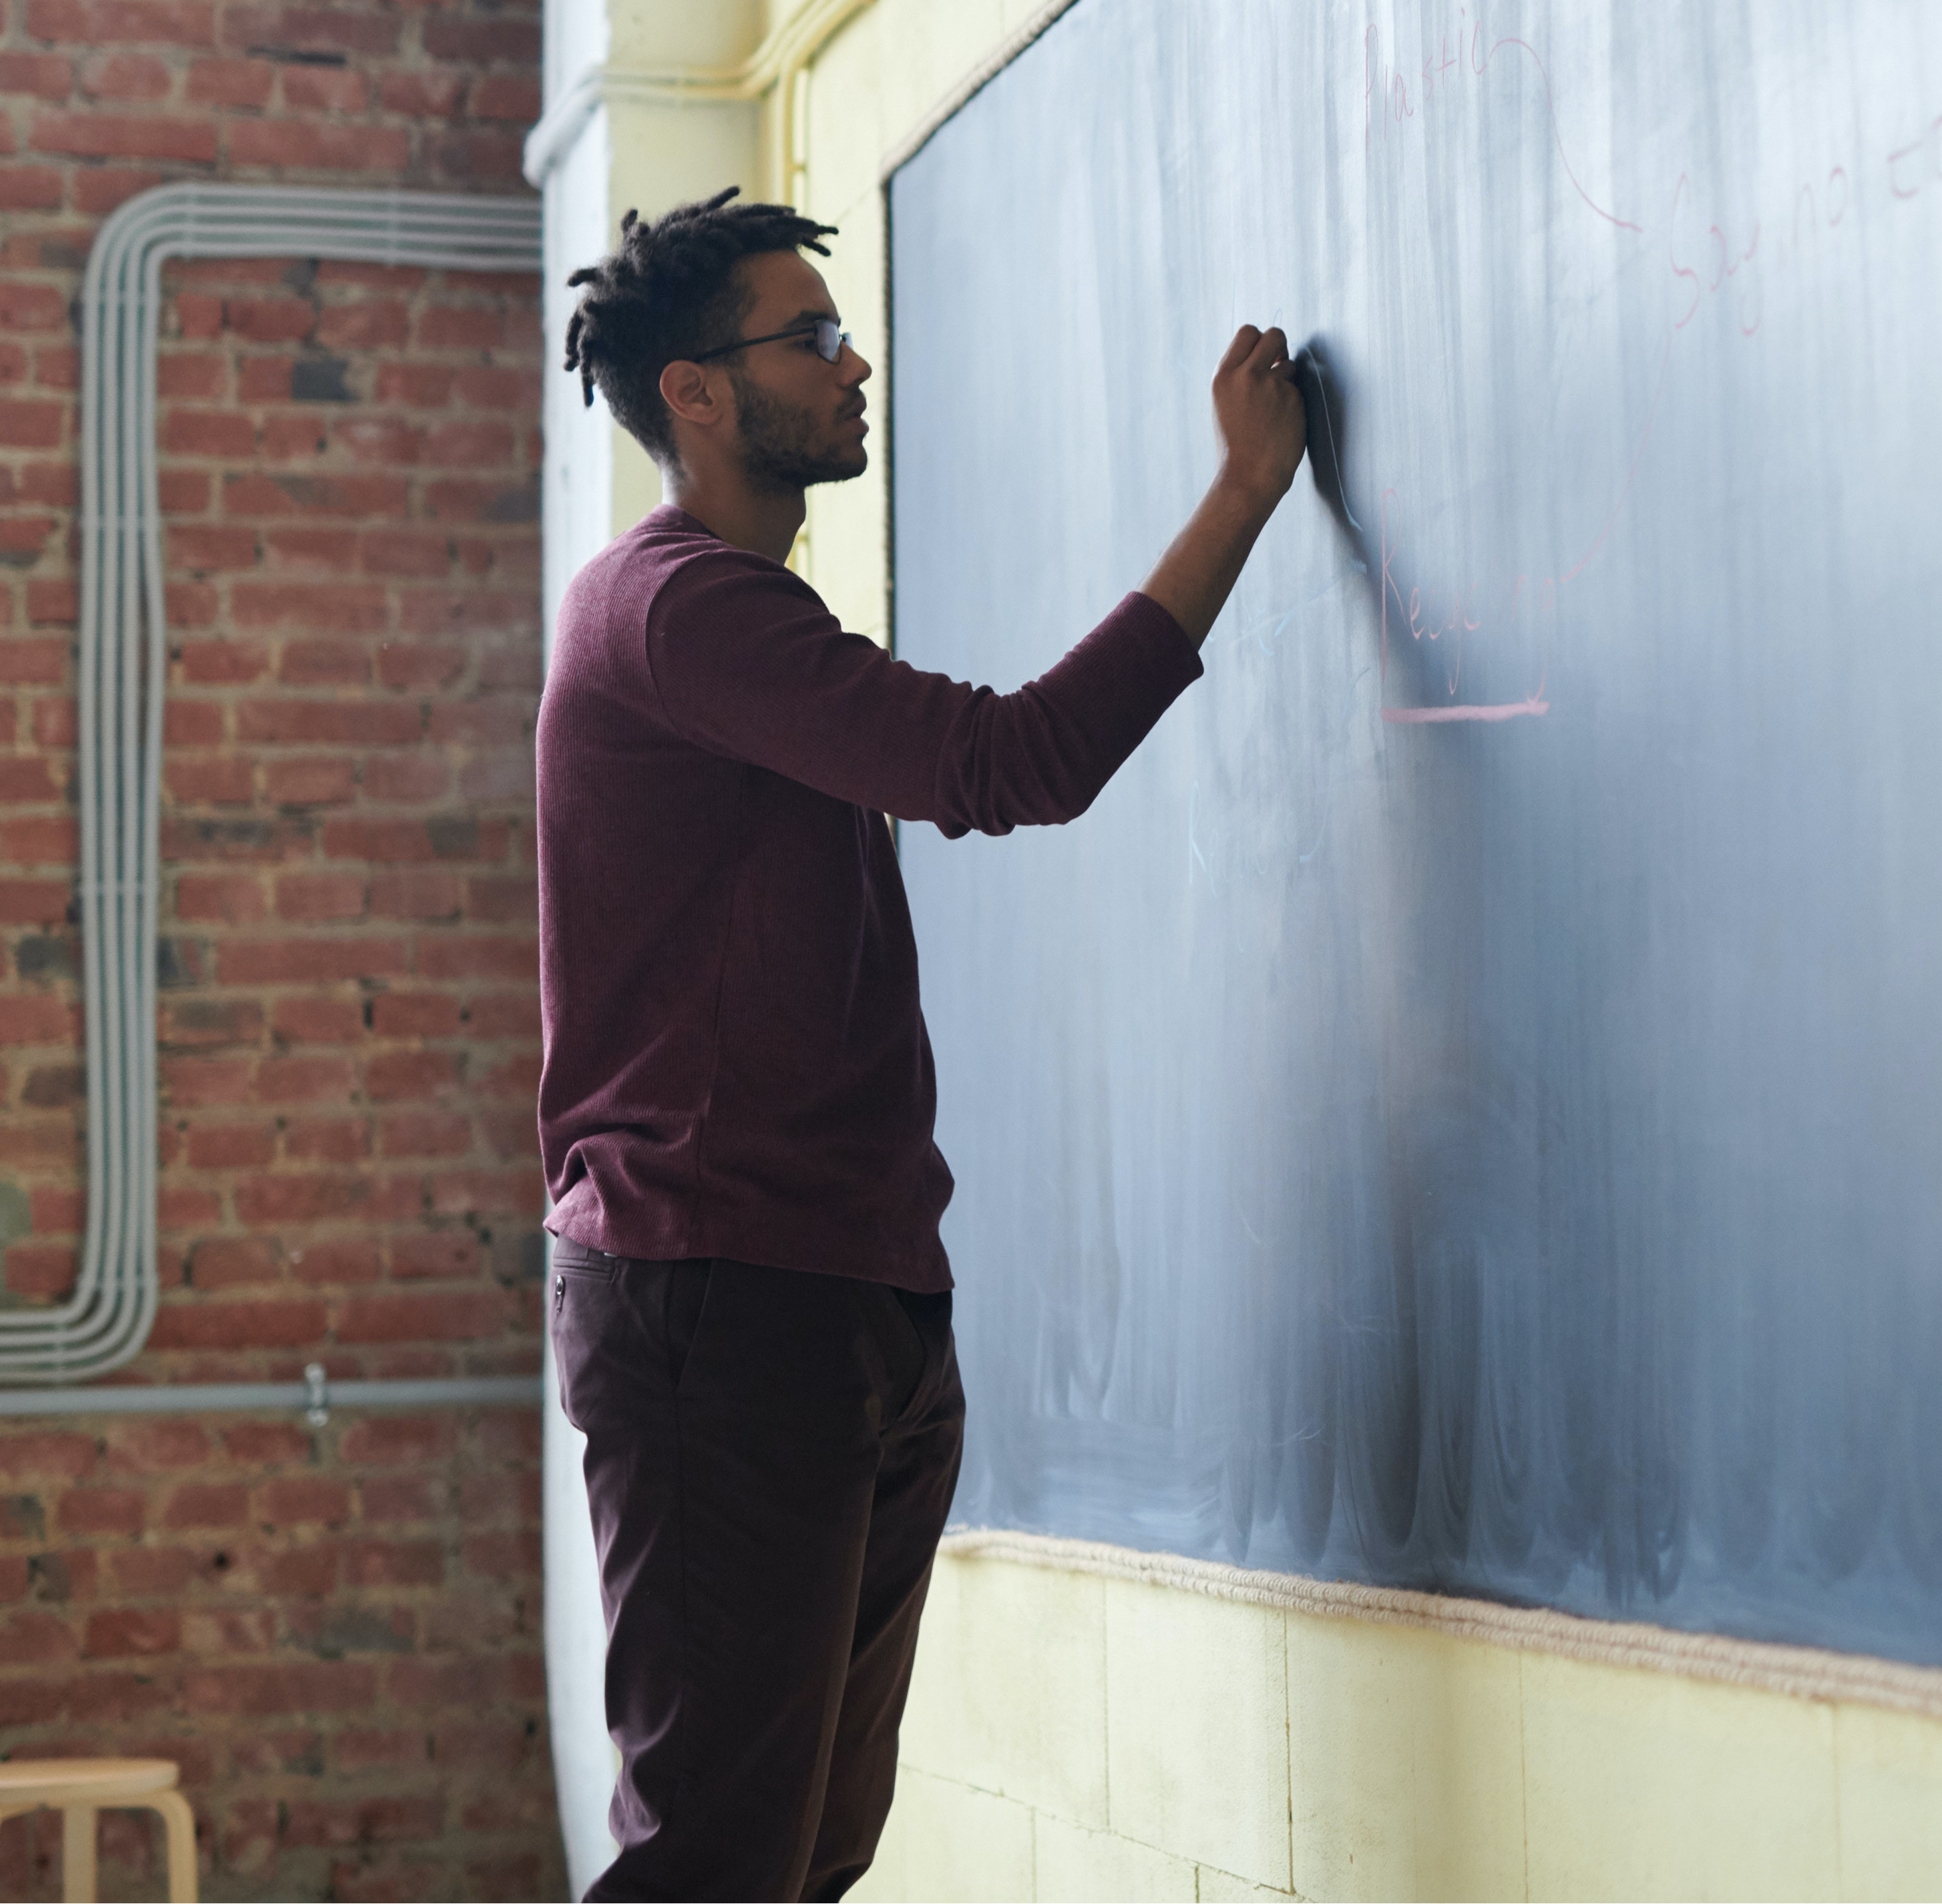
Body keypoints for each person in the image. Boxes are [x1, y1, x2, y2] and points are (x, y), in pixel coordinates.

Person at [534, 188, 1307, 1900]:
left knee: (799, 1861)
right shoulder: (679, 611)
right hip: (722, 1293)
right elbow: (1011, 764)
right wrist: (1242, 496)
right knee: (717, 1869)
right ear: (698, 396)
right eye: (809, 338)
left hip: (837, 1292)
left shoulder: (740, 626)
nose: (852, 357)